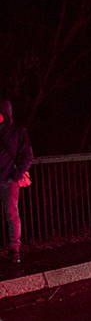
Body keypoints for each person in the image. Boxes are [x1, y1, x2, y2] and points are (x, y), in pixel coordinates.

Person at [1, 97, 34, 265]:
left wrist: (16, 174)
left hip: (9, 179)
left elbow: (27, 155)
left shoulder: (17, 131)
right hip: (8, 177)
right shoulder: (16, 131)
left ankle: (15, 249)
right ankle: (13, 248)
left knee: (11, 213)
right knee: (11, 213)